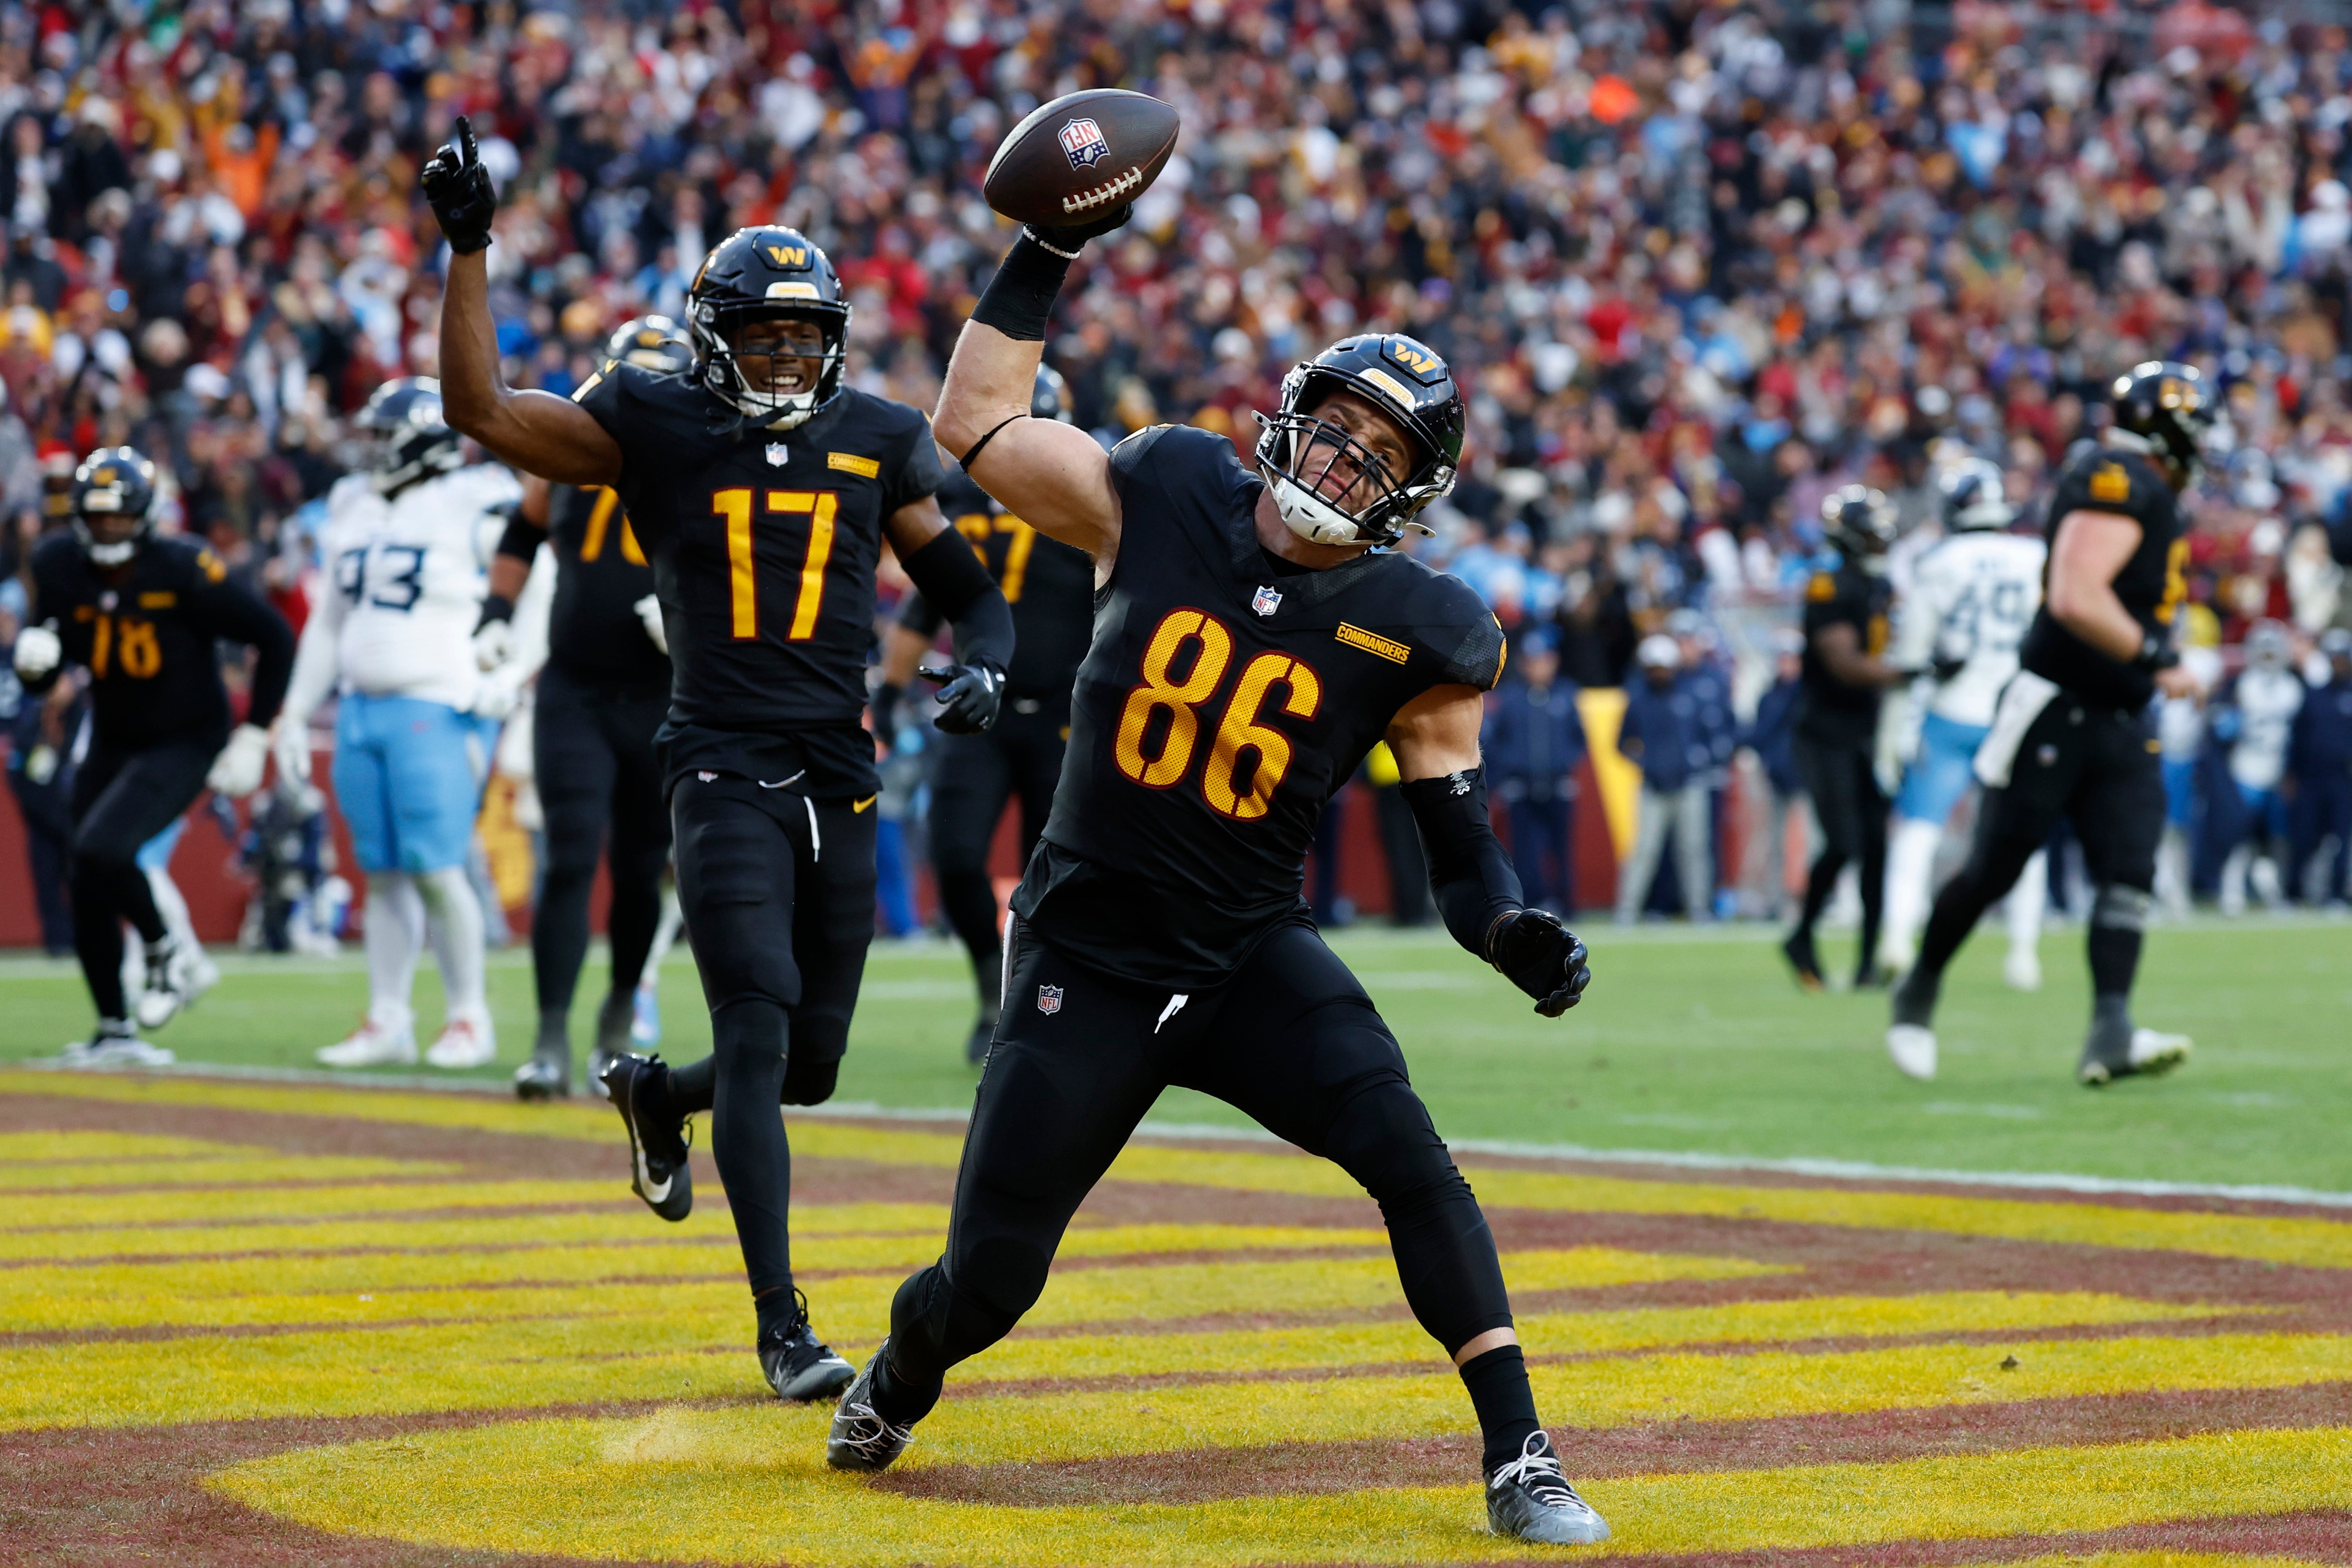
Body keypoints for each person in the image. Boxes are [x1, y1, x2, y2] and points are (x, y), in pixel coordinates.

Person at [825, 207, 1607, 1553]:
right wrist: (1044, 248)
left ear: (1413, 494)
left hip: (1246, 954)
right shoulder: (1169, 489)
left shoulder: (1425, 629)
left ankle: (1518, 1452)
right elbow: (974, 424)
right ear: (1288, 415)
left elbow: (1460, 856)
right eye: (1337, 428)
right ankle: (901, 1373)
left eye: (1381, 455)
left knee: (1414, 1161)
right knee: (991, 1281)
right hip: (1086, 954)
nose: (1345, 461)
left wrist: (1508, 930)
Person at [421, 120, 1014, 1404]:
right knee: (754, 1024)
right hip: (719, 759)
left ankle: (653, 1094)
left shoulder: (877, 434)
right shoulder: (652, 418)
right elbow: (481, 410)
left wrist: (987, 662)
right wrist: (470, 251)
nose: (788, 357)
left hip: (836, 767)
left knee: (811, 1064)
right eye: (764, 335)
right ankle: (782, 1324)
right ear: (712, 339)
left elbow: (969, 588)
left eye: (806, 336)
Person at [1889, 362, 2212, 1085]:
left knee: (2128, 871)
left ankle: (2110, 1029)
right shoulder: (2116, 478)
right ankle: (1918, 987)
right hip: (2054, 708)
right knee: (1992, 870)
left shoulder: (2145, 485)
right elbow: (2074, 594)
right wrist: (2158, 657)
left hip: (2120, 713)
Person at [275, 378, 522, 1072]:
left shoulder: (474, 497)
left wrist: (511, 672)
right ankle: (389, 1017)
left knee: (437, 868)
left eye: (387, 437)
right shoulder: (351, 504)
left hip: (438, 703)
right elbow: (329, 623)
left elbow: (539, 578)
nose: (374, 449)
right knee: (380, 873)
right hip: (359, 706)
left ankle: (469, 1016)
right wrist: (294, 711)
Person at [13, 447, 292, 1061]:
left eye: (119, 517)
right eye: (97, 517)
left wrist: (255, 732)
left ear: (144, 516)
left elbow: (273, 637)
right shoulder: (59, 564)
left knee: (103, 847)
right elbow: (50, 662)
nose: (108, 529)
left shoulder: (183, 566)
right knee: (84, 874)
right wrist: (37, 668)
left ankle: (167, 951)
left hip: (186, 735)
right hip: (114, 733)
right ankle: (114, 1029)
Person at [482, 316, 688, 1099]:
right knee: (568, 856)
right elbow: (522, 529)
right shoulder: (571, 453)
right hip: (574, 686)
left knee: (639, 870)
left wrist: (687, 617)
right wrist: (495, 615)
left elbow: (745, 562)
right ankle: (548, 1038)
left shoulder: (706, 458)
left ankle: (615, 1018)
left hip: (661, 692)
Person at [876, 363, 1094, 1062]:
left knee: (1052, 873)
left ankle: (1036, 998)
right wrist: (888, 690)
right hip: (981, 707)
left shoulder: (1093, 504)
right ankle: (987, 987)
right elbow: (925, 603)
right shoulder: (959, 500)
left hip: (1065, 716)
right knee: (954, 853)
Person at [1877, 457, 2049, 988]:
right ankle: (2023, 953)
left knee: (1918, 832)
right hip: (2017, 712)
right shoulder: (2035, 557)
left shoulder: (1938, 561)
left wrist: (1893, 733)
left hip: (1952, 710)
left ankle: (1896, 937)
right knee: (2024, 839)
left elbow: (1912, 655)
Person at [1783, 485, 1904, 990]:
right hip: (1824, 731)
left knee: (1876, 845)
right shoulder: (1827, 584)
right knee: (1844, 841)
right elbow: (1844, 663)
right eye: (1873, 532)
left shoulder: (1879, 584)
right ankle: (1802, 935)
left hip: (1867, 732)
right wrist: (1910, 671)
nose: (1882, 539)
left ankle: (1867, 964)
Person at [1482, 625, 1585, 917]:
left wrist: (1563, 764)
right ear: (1523, 664)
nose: (1539, 667)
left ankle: (1566, 904)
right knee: (1524, 851)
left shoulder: (1566, 694)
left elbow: (1579, 740)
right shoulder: (1511, 697)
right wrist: (1511, 769)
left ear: (1554, 661)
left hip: (1558, 784)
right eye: (1532, 661)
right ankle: (1530, 905)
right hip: (1521, 786)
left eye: (1544, 660)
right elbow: (1496, 741)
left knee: (1562, 849)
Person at [1612, 634, 1715, 923]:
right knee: (1643, 850)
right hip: (1652, 786)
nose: (1659, 673)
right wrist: (1645, 762)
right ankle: (1627, 910)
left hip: (1689, 783)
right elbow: (1622, 743)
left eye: (1663, 667)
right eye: (1654, 668)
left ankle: (1699, 909)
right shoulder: (1638, 700)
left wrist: (1697, 758)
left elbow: (1708, 736)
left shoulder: (1690, 696)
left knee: (1694, 849)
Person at [2211, 619, 2303, 915]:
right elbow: (2220, 727)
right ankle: (2232, 889)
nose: (2268, 658)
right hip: (2246, 769)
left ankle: (2273, 891)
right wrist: (2230, 721)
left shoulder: (2293, 687)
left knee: (2276, 837)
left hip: (2278, 771)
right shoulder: (2241, 685)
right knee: (2239, 833)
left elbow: (2303, 734)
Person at [1739, 628, 1805, 919]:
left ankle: (1812, 900)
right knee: (1770, 842)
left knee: (1813, 843)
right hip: (1775, 777)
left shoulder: (1807, 694)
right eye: (1783, 658)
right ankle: (1774, 901)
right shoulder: (1770, 696)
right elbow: (1759, 734)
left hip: (1808, 777)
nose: (1786, 664)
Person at [2290, 627, 2352, 906]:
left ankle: (2337, 895)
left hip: (2344, 779)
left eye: (2342, 657)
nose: (2338, 663)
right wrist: (2291, 774)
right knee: (2303, 836)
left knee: (2340, 840)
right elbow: (2298, 737)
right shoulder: (2314, 695)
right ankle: (2293, 893)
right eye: (2334, 657)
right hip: (2311, 778)